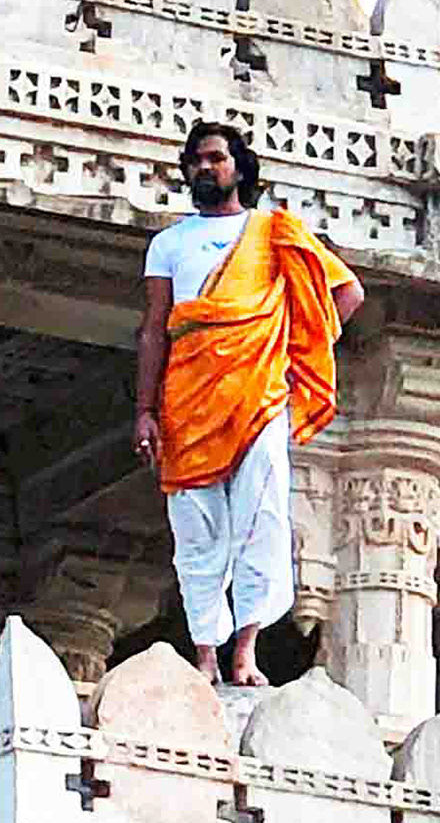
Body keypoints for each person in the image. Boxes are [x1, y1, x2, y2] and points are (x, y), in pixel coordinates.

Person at [131, 121, 361, 685]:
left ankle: (245, 652)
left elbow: (347, 292)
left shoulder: (274, 230)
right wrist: (145, 410)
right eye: (196, 162)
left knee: (262, 518)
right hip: (186, 399)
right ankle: (206, 652)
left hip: (259, 394)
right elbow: (153, 331)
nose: (205, 169)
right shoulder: (169, 243)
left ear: (239, 167)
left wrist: (293, 346)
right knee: (195, 527)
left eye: (216, 158)